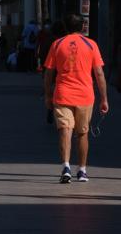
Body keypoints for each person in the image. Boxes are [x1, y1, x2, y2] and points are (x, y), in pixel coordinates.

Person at [44, 14, 108, 183]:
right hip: (85, 96)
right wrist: (104, 98)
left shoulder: (57, 44)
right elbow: (99, 73)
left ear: (65, 26)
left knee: (65, 130)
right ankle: (82, 170)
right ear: (82, 26)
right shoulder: (91, 45)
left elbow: (49, 73)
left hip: (62, 94)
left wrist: (47, 95)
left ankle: (66, 166)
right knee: (82, 133)